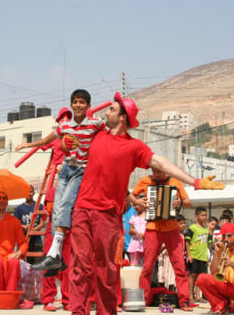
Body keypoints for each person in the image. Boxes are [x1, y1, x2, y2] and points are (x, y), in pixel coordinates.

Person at [69, 92, 224, 314]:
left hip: (108, 214)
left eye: (112, 109)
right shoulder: (97, 134)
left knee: (106, 270)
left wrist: (196, 182)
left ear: (123, 118)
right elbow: (75, 126)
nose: (106, 111)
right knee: (79, 267)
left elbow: (162, 163)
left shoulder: (134, 147)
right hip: (82, 209)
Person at [16, 89, 105, 271]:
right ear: (71, 105)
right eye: (75, 102)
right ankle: (57, 257)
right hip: (65, 169)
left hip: (81, 170)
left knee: (65, 205)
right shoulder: (65, 126)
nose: (78, 105)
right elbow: (49, 138)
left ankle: (54, 253)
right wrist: (28, 144)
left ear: (88, 106)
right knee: (56, 211)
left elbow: (109, 137)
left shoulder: (96, 124)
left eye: (82, 102)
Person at [130, 165, 194, 309]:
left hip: (172, 228)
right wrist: (138, 202)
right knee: (147, 266)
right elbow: (131, 195)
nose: (156, 174)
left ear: (165, 170)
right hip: (153, 228)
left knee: (179, 266)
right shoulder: (146, 180)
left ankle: (185, 301)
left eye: (158, 171)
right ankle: (144, 300)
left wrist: (180, 202)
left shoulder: (175, 182)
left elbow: (189, 202)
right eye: (154, 171)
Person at [13, 185, 45, 261]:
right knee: (23, 265)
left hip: (37, 241)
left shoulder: (40, 206)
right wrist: (23, 227)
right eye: (26, 191)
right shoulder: (19, 208)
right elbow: (15, 224)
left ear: (34, 193)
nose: (28, 193)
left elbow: (42, 223)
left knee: (38, 265)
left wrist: (33, 230)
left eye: (30, 191)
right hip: (23, 241)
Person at [185, 207, 208, 303]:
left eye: (206, 215)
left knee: (200, 277)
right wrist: (189, 255)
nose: (204, 217)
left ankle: (198, 295)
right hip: (194, 255)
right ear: (197, 216)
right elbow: (187, 241)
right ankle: (190, 295)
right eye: (202, 215)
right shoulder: (192, 228)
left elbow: (208, 243)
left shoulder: (206, 230)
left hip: (203, 257)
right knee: (192, 275)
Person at [127, 201, 146, 265]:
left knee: (146, 264)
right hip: (135, 243)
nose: (136, 207)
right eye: (134, 205)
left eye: (138, 205)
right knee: (134, 265)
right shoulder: (133, 217)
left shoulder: (148, 217)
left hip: (145, 243)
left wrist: (144, 235)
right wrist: (133, 231)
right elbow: (130, 231)